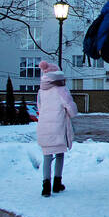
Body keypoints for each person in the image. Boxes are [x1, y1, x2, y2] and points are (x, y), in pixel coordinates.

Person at [36, 60, 78, 197]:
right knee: (60, 154)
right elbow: (71, 108)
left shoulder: (41, 90)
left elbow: (39, 108)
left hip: (43, 126)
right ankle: (57, 183)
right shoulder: (61, 89)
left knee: (47, 156)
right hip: (58, 127)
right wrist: (72, 113)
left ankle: (45, 187)